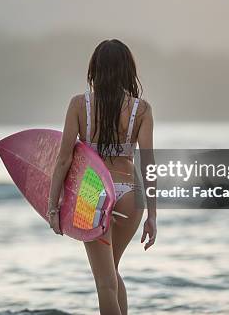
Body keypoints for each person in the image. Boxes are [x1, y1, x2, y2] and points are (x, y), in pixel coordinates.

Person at [47, 39, 157, 315]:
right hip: (131, 195)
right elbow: (149, 165)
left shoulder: (78, 105)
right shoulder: (141, 110)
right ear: (127, 70)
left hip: (91, 192)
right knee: (112, 272)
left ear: (95, 69)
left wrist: (52, 205)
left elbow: (64, 159)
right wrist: (152, 215)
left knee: (105, 282)